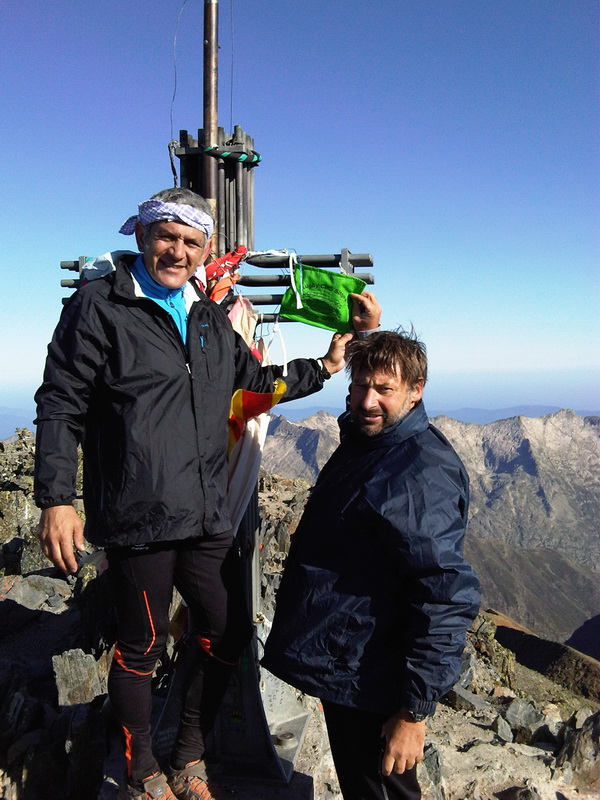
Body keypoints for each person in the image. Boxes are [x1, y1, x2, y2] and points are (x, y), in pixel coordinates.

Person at [34, 187, 381, 800]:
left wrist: (327, 365)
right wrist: (56, 498)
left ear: (205, 249)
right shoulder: (101, 305)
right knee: (142, 645)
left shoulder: (206, 317)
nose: (178, 251)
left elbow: (254, 383)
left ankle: (188, 754)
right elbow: (60, 401)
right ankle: (142, 772)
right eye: (167, 237)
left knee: (228, 632)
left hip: (205, 509)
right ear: (143, 236)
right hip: (138, 511)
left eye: (191, 242)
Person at [262, 330, 480, 800]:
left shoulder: (418, 473)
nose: (367, 400)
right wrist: (362, 331)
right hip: (349, 663)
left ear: (416, 390)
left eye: (384, 389)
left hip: (372, 678)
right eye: (360, 385)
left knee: (381, 790)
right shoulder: (372, 442)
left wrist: (413, 713)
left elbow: (444, 595)